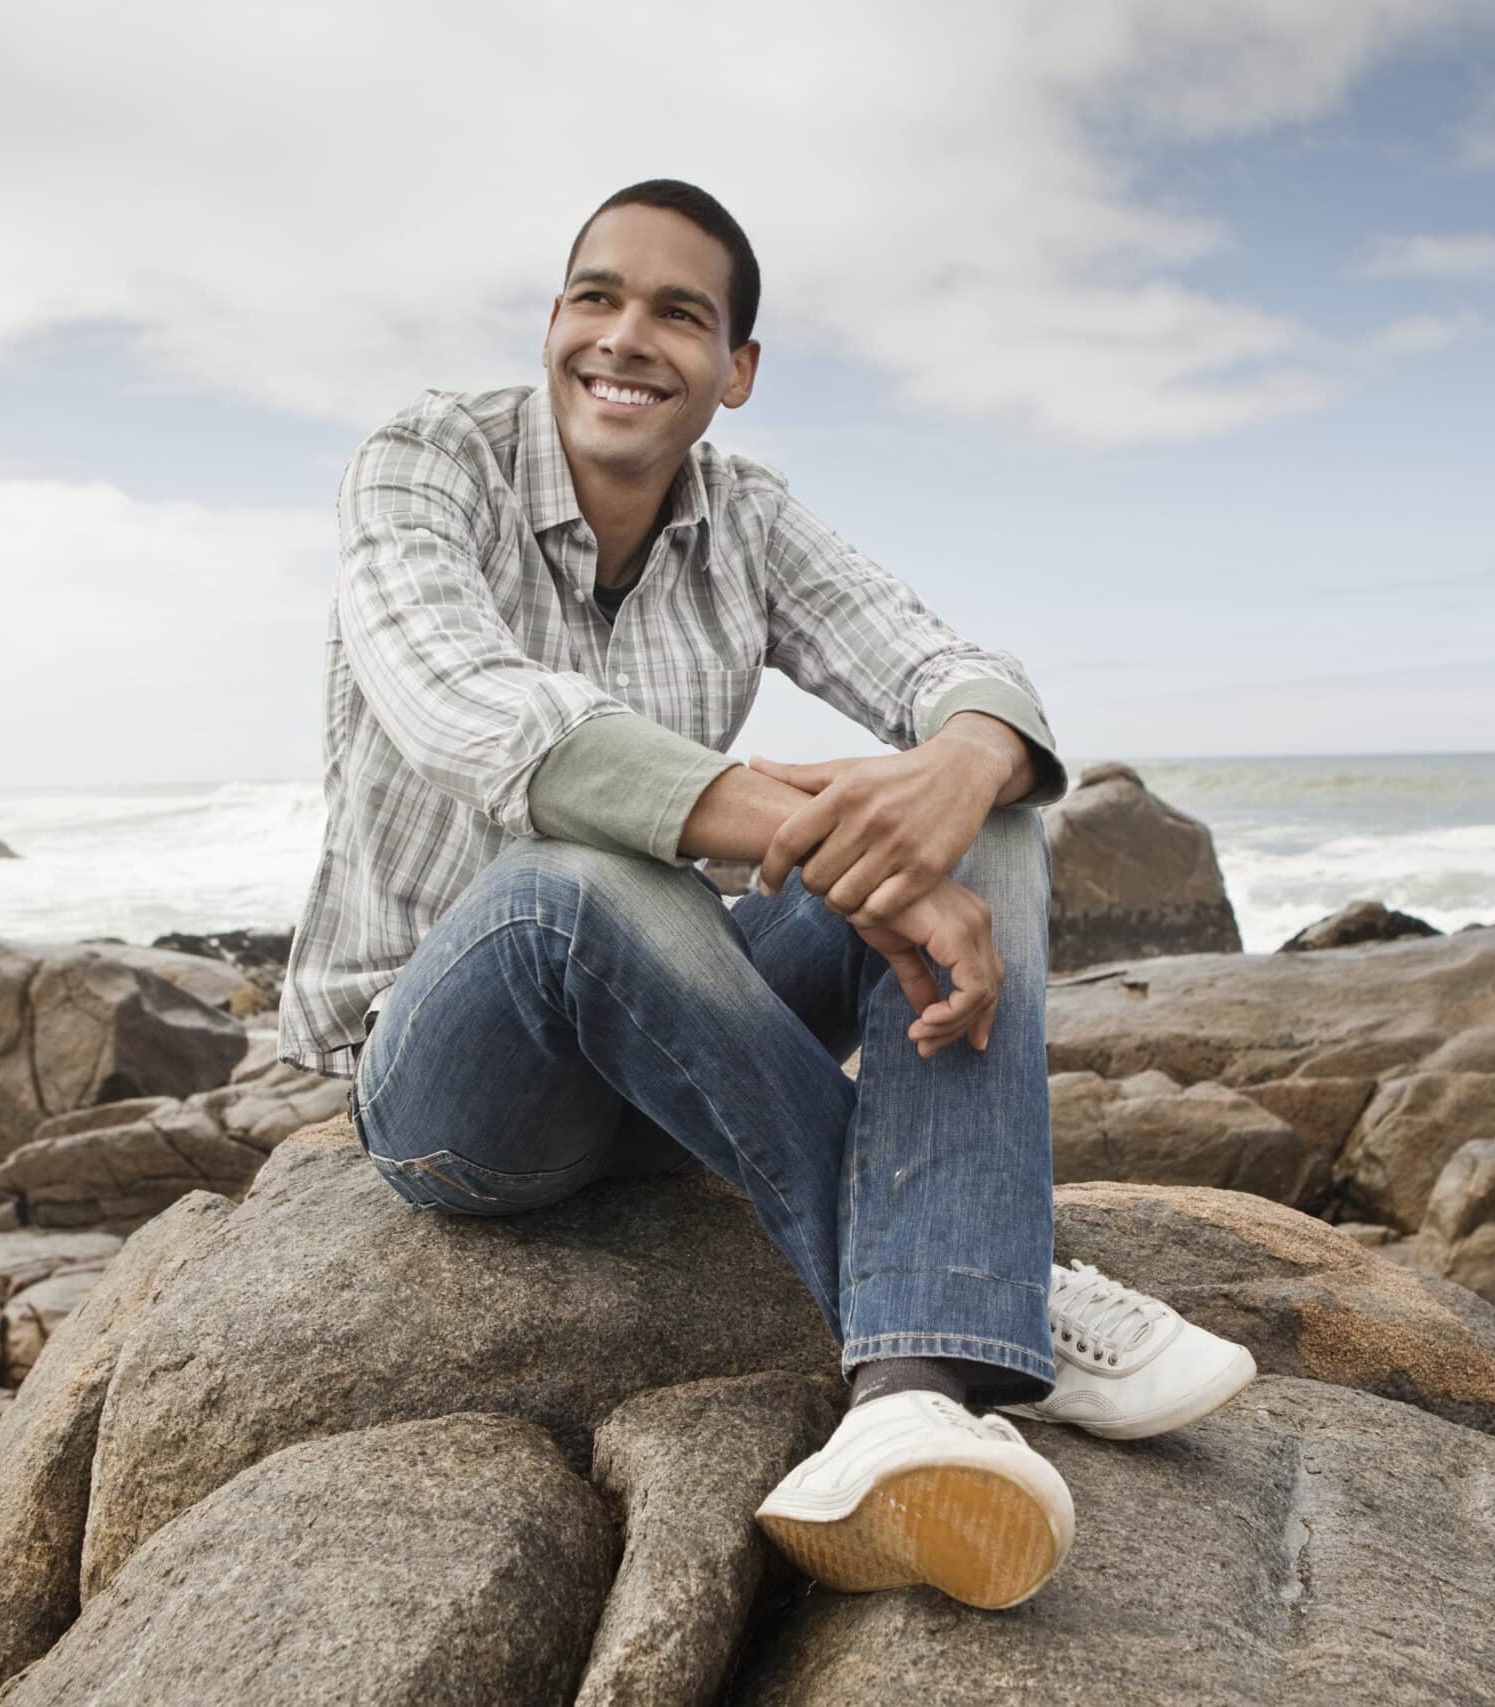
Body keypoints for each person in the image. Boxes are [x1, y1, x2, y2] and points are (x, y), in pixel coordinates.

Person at [276, 178, 1255, 1610]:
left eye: (680, 314)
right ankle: (1000, 1277)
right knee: (578, 872)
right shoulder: (426, 462)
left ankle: (915, 1392)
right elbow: (474, 713)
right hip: (457, 1082)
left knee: (975, 832)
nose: (626, 338)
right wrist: (797, 823)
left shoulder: (747, 518)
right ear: (553, 323)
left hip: (668, 1035)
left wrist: (961, 765)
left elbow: (953, 666)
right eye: (596, 298)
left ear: (733, 372)